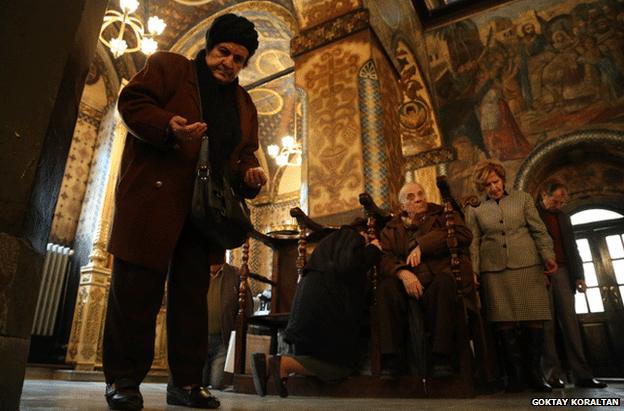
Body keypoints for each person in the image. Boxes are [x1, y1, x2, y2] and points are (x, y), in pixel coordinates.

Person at [103, 13, 267, 410]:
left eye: (239, 58)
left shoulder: (245, 104)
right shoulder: (170, 67)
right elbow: (132, 102)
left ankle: (187, 384)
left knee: (193, 300)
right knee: (136, 291)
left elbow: (243, 154)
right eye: (223, 51)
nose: (228, 62)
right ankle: (124, 381)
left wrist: (251, 173)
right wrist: (167, 125)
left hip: (204, 212)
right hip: (154, 197)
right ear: (210, 47)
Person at [250, 219, 382, 397]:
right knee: (341, 369)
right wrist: (374, 249)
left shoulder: (328, 244)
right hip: (324, 318)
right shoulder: (351, 236)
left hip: (305, 316)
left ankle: (267, 362)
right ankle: (283, 364)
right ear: (363, 232)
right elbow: (350, 265)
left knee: (314, 359)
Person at [465, 160, 556, 392]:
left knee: (534, 317)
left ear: (502, 179)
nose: (493, 188)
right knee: (503, 322)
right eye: (487, 185)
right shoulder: (475, 208)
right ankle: (515, 377)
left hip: (527, 264)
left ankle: (535, 375)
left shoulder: (522, 198)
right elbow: (474, 242)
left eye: (495, 182)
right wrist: (473, 271)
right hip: (493, 270)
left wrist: (548, 255)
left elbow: (538, 229)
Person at [377, 182, 476, 378]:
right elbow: (385, 258)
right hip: (407, 282)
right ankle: (392, 360)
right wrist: (403, 273)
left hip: (438, 276)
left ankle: (442, 358)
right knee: (386, 288)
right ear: (403, 206)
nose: (419, 198)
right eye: (411, 197)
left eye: (420, 193)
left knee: (444, 283)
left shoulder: (442, 214)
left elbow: (464, 234)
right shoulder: (392, 227)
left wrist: (423, 245)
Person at [536, 182, 607, 389]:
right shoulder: (533, 213)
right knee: (546, 326)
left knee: (571, 324)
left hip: (564, 271)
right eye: (555, 201)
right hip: (541, 273)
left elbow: (572, 247)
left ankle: (583, 375)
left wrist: (579, 276)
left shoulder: (564, 217)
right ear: (544, 194)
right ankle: (552, 375)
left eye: (562, 202)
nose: (558, 205)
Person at [202, 263, 253, 390]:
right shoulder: (198, 271)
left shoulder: (235, 274)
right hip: (200, 339)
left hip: (223, 340)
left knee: (217, 383)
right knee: (198, 382)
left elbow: (248, 308)